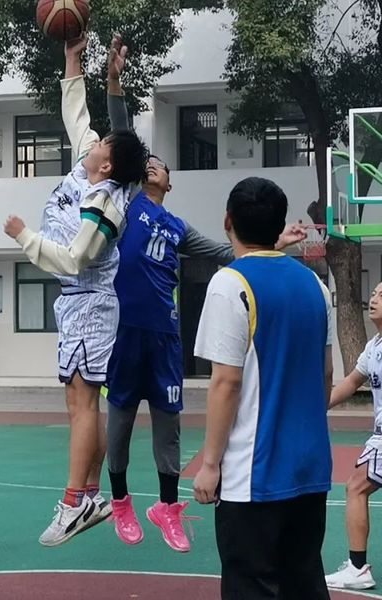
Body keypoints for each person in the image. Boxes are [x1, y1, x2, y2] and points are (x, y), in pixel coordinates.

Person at [103, 74, 306, 552]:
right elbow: (124, 138)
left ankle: (167, 507)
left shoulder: (177, 226)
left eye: (160, 164)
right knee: (121, 420)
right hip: (126, 329)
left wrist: (275, 241)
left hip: (165, 335)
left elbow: (227, 251)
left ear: (169, 182)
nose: (152, 165)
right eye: (147, 162)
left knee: (169, 422)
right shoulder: (127, 203)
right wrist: (114, 84)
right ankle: (120, 499)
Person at [3, 34, 148, 547]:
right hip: (76, 304)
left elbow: (73, 259)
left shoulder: (106, 203)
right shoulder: (94, 165)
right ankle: (89, 494)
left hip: (89, 303)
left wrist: (24, 236)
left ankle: (73, 502)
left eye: (103, 144)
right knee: (78, 403)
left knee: (84, 403)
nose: (96, 140)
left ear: (107, 165)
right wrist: (73, 63)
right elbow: (77, 115)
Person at [192, 177, 333, 599]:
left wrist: (210, 464)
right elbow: (326, 373)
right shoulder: (315, 285)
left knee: (251, 587)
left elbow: (226, 382)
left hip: (253, 474)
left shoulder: (230, 283)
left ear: (227, 221)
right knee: (303, 584)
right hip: (310, 469)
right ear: (278, 225)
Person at [324, 281, 382, 591]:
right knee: (356, 487)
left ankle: (358, 569)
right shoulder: (374, 346)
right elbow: (351, 382)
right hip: (379, 437)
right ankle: (357, 567)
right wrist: (316, 405)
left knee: (356, 487)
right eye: (373, 293)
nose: (374, 298)